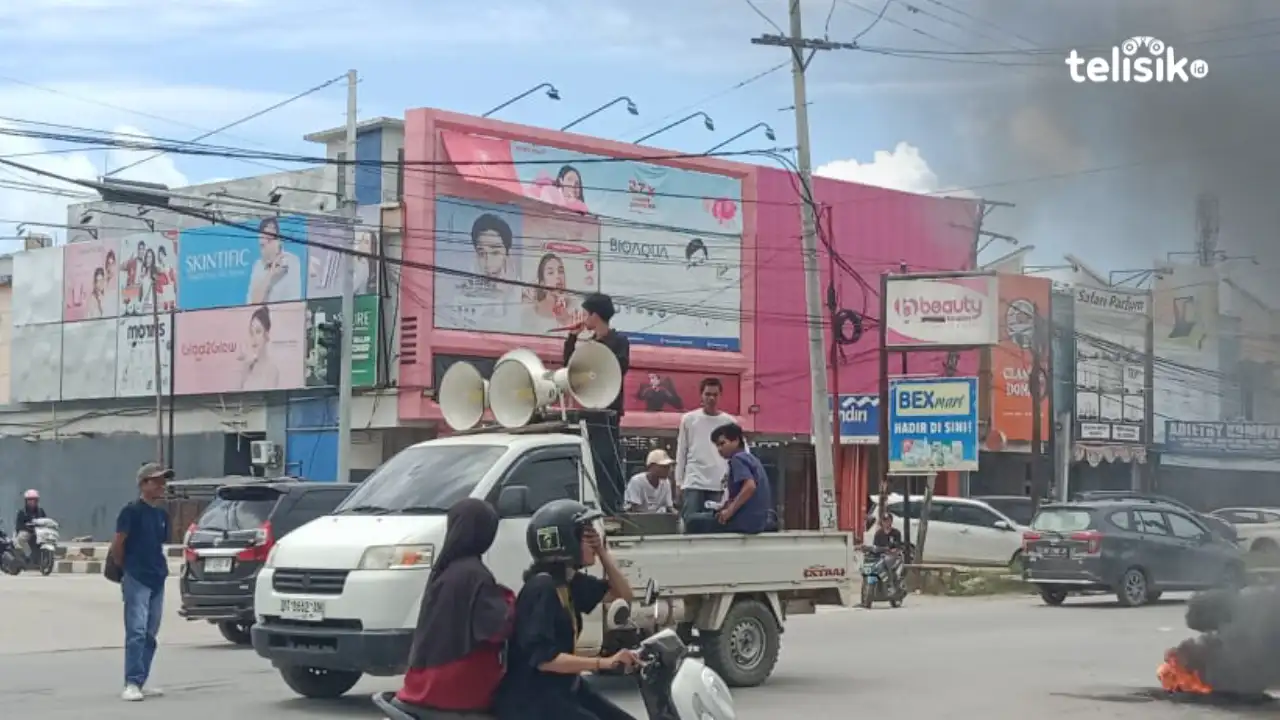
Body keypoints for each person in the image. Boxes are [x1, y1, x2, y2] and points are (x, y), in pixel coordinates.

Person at [496, 499, 637, 720]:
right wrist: (605, 663)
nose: (592, 541)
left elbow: (624, 594)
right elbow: (544, 660)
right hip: (534, 701)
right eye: (586, 536)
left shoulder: (569, 582)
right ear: (564, 542)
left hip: (564, 688)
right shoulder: (542, 588)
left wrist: (602, 552)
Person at [397, 499, 514, 714]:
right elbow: (497, 630)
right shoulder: (476, 575)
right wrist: (510, 600)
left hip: (419, 680)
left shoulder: (444, 571)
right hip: (455, 685)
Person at [110, 462, 173, 702]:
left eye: (163, 481)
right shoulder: (131, 512)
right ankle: (131, 682)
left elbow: (158, 544)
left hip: (157, 577)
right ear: (143, 484)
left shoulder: (161, 514)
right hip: (137, 576)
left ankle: (142, 679)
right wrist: (126, 569)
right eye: (156, 481)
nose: (161, 486)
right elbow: (118, 544)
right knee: (136, 631)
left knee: (150, 633)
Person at [563, 293, 630, 515]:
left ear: (595, 315)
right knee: (592, 460)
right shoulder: (590, 344)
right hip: (592, 408)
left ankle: (612, 508)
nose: (583, 318)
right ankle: (598, 506)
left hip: (609, 409)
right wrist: (572, 338)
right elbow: (570, 368)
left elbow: (617, 369)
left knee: (607, 459)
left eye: (586, 314)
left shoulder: (619, 341)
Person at [685, 423, 773, 535]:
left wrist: (729, 512)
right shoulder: (752, 459)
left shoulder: (737, 459)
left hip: (744, 521)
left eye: (722, 444)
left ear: (736, 440)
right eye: (717, 446)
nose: (719, 449)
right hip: (757, 521)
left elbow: (750, 486)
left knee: (692, 521)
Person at [675, 378, 737, 524]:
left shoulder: (729, 422)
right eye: (708, 394)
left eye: (715, 395)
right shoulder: (689, 419)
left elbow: (738, 453)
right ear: (701, 395)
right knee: (690, 523)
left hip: (718, 483)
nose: (711, 398)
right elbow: (681, 451)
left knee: (715, 525)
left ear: (720, 396)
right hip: (693, 481)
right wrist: (678, 482)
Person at [247, 217, 303, 304]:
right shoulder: (258, 265)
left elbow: (293, 300)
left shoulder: (292, 261)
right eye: (262, 245)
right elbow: (253, 301)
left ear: (278, 241)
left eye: (269, 240)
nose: (265, 248)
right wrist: (271, 273)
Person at [239, 305, 280, 391]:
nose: (254, 338)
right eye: (251, 333)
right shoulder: (247, 367)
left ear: (266, 334)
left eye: (258, 332)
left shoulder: (272, 370)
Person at [624, 449, 675, 513]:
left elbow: (669, 507)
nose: (668, 470)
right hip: (637, 518)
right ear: (651, 466)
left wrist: (676, 515)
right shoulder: (636, 481)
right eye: (664, 467)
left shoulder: (666, 483)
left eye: (668, 467)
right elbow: (634, 510)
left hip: (657, 518)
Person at [15, 489, 47, 559]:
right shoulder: (22, 512)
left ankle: (45, 555)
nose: (32, 502)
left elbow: (45, 521)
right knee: (21, 538)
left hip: (39, 532)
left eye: (34, 500)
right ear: (26, 501)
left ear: (37, 501)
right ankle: (28, 555)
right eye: (29, 500)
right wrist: (27, 528)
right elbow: (18, 526)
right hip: (27, 532)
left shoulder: (41, 511)